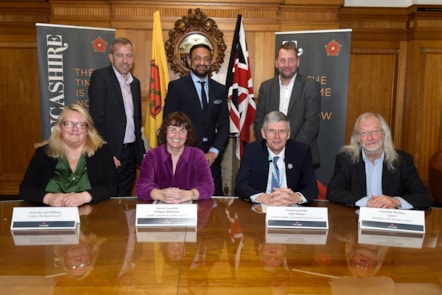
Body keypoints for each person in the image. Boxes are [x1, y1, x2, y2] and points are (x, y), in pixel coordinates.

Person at [326, 112, 432, 209]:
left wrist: (395, 201)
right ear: (358, 138)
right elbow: (333, 192)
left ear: (384, 134)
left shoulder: (402, 160)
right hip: (356, 221)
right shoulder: (345, 160)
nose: (370, 138)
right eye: (364, 133)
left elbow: (423, 197)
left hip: (392, 221)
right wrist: (366, 201)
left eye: (375, 131)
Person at [19, 104, 117, 206]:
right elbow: (26, 189)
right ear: (60, 127)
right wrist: (49, 198)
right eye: (69, 124)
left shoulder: (102, 151)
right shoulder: (44, 152)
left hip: (92, 215)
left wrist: (84, 197)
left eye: (81, 125)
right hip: (52, 215)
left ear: (88, 129)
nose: (75, 129)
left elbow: (112, 187)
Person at [163, 43, 229, 196]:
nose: (202, 63)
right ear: (189, 61)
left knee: (214, 206)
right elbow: (169, 123)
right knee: (185, 204)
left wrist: (213, 152)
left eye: (206, 59)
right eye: (197, 59)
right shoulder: (177, 87)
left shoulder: (220, 90)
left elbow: (225, 126)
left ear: (211, 62)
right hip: (184, 158)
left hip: (211, 161)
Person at [88, 37, 146, 196]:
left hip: (131, 152)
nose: (125, 60)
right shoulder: (101, 77)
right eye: (120, 55)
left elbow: (136, 122)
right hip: (111, 152)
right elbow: (96, 120)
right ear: (111, 57)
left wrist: (141, 155)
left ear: (133, 58)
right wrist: (106, 153)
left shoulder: (136, 83)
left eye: (129, 56)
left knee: (125, 199)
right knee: (109, 200)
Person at [253, 41, 321, 166]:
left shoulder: (311, 87)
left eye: (291, 60)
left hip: (301, 155)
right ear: (276, 63)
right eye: (282, 60)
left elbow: (311, 124)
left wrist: (289, 151)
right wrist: (272, 148)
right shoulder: (266, 87)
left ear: (298, 62)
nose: (287, 65)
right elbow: (259, 122)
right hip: (269, 155)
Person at [235, 111, 318, 206]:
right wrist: (262, 197)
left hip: (292, 209)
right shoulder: (251, 150)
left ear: (288, 134)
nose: (277, 136)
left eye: (282, 131)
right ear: (263, 133)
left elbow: (312, 188)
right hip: (261, 208)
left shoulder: (301, 151)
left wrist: (296, 197)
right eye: (272, 131)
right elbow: (240, 185)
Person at [135, 112, 214, 202]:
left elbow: (208, 187)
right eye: (173, 130)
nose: (177, 135)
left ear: (188, 135)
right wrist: (160, 194)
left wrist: (190, 194)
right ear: (165, 132)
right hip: (160, 211)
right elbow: (141, 187)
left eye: (182, 131)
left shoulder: (198, 155)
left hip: (190, 210)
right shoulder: (152, 155)